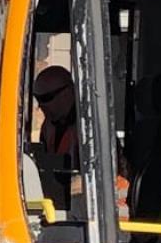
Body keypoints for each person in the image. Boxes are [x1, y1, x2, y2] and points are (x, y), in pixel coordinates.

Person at [33, 66, 129, 219]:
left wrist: (53, 190)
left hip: (107, 217)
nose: (41, 106)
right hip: (69, 209)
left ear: (68, 92)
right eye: (38, 99)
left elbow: (100, 176)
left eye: (46, 98)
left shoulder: (92, 127)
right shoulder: (49, 127)